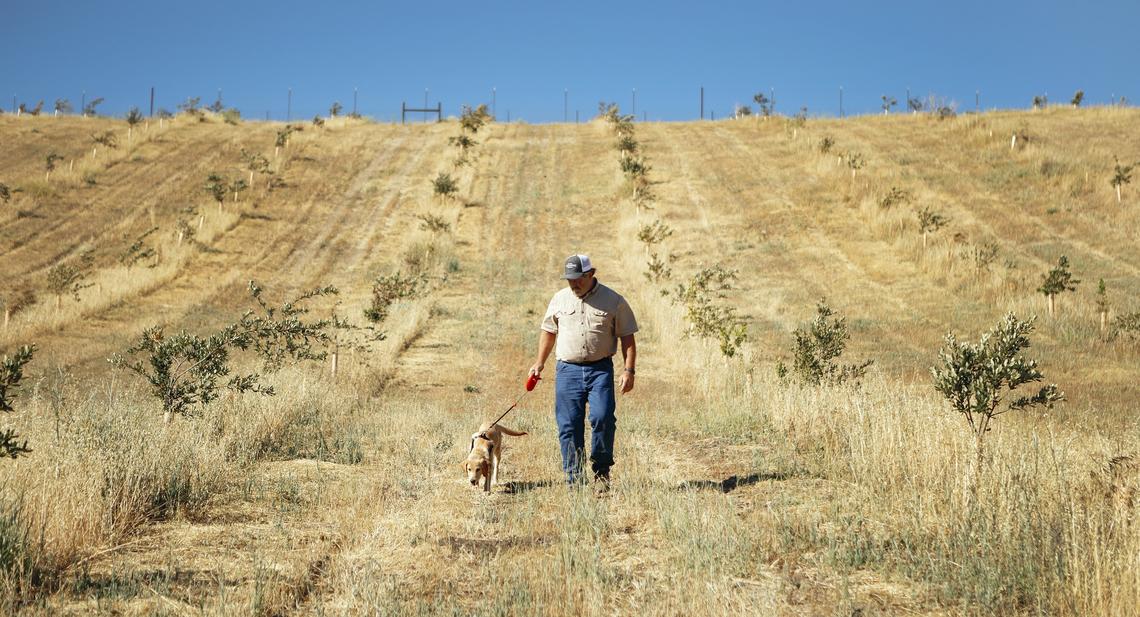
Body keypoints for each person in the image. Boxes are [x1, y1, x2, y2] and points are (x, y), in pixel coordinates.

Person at [528, 254, 638, 488]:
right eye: (570, 279)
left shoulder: (613, 300)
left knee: (602, 418)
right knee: (568, 425)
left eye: (578, 278)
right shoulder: (559, 299)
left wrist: (629, 370)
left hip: (600, 370)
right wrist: (539, 362)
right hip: (567, 370)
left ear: (591, 274)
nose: (574, 283)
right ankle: (574, 479)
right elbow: (549, 332)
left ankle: (601, 471)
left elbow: (627, 336)